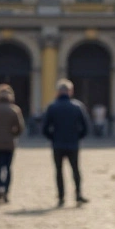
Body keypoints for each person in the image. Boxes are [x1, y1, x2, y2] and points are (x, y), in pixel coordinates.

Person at [42, 79, 91, 207]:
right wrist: (78, 137)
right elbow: (86, 127)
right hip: (73, 143)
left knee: (59, 171)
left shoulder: (52, 107)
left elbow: (45, 128)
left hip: (57, 144)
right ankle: (78, 195)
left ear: (58, 92)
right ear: (70, 91)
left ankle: (61, 197)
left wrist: (52, 138)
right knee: (75, 170)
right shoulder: (77, 106)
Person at [0, 84, 25, 203]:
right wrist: (13, 134)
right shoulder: (14, 110)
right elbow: (20, 128)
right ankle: (6, 192)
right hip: (9, 144)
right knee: (8, 168)